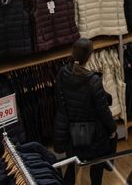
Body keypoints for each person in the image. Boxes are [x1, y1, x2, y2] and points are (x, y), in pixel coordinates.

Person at [53, 38, 117, 185]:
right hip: (93, 131)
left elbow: (60, 101)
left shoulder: (63, 73)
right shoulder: (92, 80)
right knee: (96, 166)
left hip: (73, 129)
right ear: (89, 56)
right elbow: (103, 110)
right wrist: (112, 128)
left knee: (73, 165)